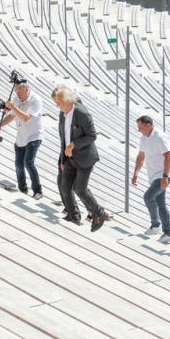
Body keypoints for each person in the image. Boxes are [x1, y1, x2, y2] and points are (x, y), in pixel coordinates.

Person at [54, 87, 108, 231]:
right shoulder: (62, 113)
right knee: (65, 188)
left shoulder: (82, 113)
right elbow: (63, 137)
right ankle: (74, 216)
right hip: (69, 158)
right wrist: (62, 159)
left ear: (67, 101)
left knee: (80, 190)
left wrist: (74, 144)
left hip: (84, 158)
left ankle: (99, 212)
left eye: (58, 102)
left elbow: (92, 136)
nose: (56, 105)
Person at [0, 77, 43, 199]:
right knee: (18, 164)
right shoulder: (16, 100)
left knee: (28, 162)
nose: (17, 95)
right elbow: (11, 116)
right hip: (21, 137)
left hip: (34, 136)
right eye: (16, 92)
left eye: (20, 92)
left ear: (27, 90)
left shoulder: (35, 99)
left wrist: (12, 106)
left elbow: (26, 117)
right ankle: (22, 189)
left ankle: (38, 190)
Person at [131, 115, 170, 240]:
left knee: (148, 197)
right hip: (154, 176)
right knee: (161, 204)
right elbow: (140, 157)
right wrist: (135, 173)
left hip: (163, 175)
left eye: (140, 127)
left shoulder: (160, 137)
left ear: (148, 125)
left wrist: (165, 177)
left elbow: (168, 157)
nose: (139, 130)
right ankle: (168, 234)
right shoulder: (144, 139)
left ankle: (156, 224)